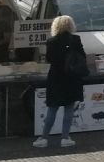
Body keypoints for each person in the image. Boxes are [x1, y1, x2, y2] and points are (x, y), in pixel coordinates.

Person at [34, 15, 88, 148]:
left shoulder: (51, 41)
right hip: (72, 78)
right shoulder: (76, 39)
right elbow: (82, 56)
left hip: (56, 78)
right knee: (69, 109)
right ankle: (65, 137)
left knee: (52, 108)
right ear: (71, 25)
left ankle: (44, 138)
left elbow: (50, 59)